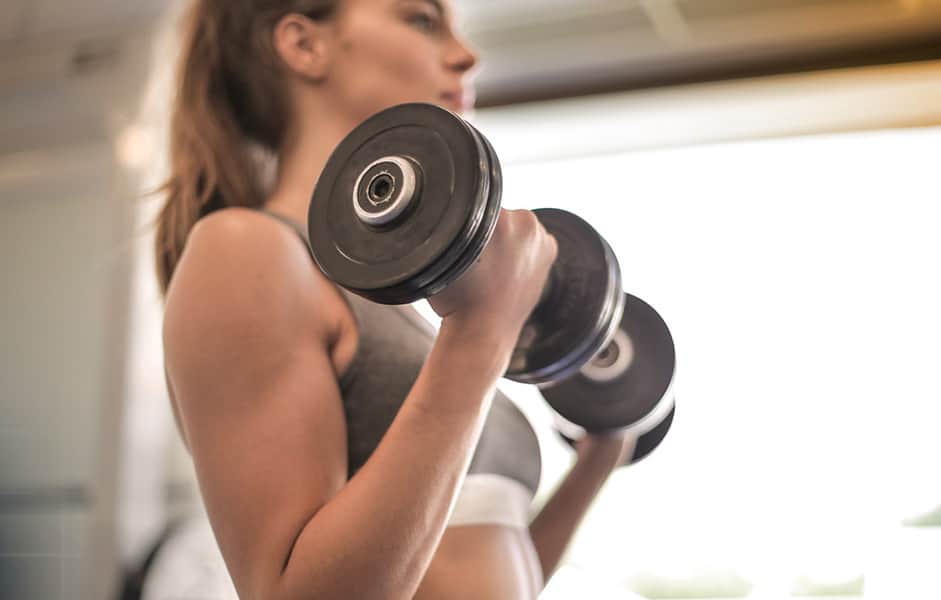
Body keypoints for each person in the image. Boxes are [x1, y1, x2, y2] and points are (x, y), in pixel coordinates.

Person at [153, 1, 634, 598]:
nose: (466, 54)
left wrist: (599, 457)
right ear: (305, 46)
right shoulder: (247, 250)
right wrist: (482, 334)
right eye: (422, 20)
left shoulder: (411, 306)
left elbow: (488, 561)